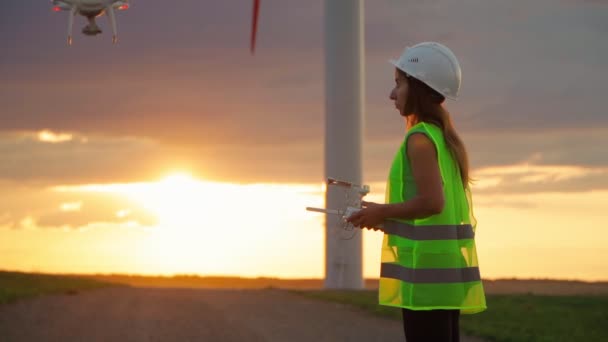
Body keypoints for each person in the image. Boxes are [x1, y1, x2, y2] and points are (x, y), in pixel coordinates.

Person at [346, 42, 487, 342]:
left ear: (420, 87)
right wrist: (382, 216)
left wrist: (382, 211)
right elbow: (431, 208)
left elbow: (432, 203)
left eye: (399, 83)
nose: (392, 94)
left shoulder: (420, 140)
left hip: (426, 279)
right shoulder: (442, 139)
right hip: (447, 276)